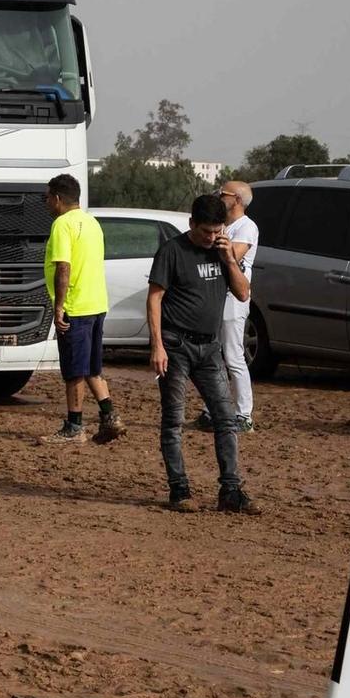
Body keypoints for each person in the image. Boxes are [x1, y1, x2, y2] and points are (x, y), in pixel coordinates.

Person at [147, 193, 256, 513]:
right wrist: (157, 345)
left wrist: (228, 259)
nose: (211, 237)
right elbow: (155, 298)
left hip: (210, 347)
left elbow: (242, 291)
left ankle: (231, 491)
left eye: (217, 231)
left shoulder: (223, 252)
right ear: (192, 223)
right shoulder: (172, 251)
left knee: (226, 418)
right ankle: (179, 489)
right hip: (176, 345)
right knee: (174, 419)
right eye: (205, 231)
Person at [40, 173, 125, 444]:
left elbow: (63, 267)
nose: (45, 203)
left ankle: (75, 426)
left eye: (46, 198)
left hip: (75, 306)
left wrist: (59, 306)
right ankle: (110, 416)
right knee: (90, 367)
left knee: (74, 370)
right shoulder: (92, 223)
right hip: (97, 303)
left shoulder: (62, 224)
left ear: (56, 198)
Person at [196, 180, 259, 435]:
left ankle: (244, 414)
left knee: (234, 356)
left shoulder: (247, 227)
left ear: (238, 200)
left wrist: (213, 243)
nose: (219, 196)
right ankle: (213, 409)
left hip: (233, 299)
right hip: (215, 297)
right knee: (214, 356)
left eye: (224, 194)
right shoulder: (223, 225)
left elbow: (234, 254)